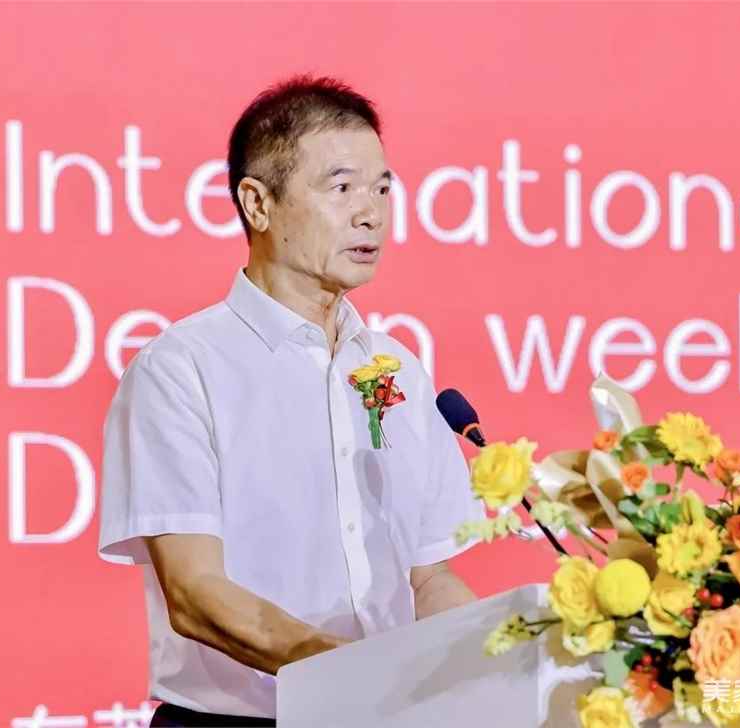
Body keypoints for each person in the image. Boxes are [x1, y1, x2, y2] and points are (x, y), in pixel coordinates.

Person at [97, 75, 485, 727]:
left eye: (382, 189)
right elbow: (195, 593)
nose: (371, 213)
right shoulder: (182, 369)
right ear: (258, 203)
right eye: (341, 188)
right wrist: (355, 676)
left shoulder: (398, 370)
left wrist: (486, 666)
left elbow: (429, 577)